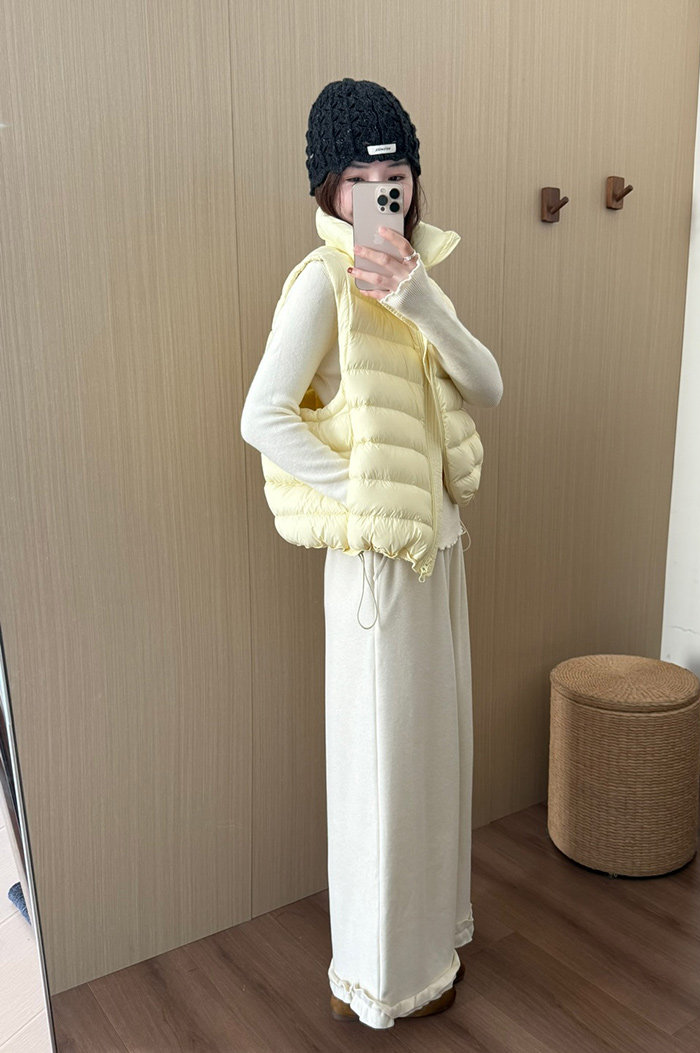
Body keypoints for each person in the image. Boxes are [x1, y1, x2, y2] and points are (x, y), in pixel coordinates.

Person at [240, 78, 503, 1030]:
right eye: (359, 178)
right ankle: (383, 974)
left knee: (433, 760)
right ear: (329, 189)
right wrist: (361, 491)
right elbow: (262, 415)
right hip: (377, 569)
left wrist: (422, 298)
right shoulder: (321, 284)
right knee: (383, 771)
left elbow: (488, 384)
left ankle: (432, 940)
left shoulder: (415, 280)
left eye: (395, 176)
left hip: (439, 551)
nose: (382, 193)